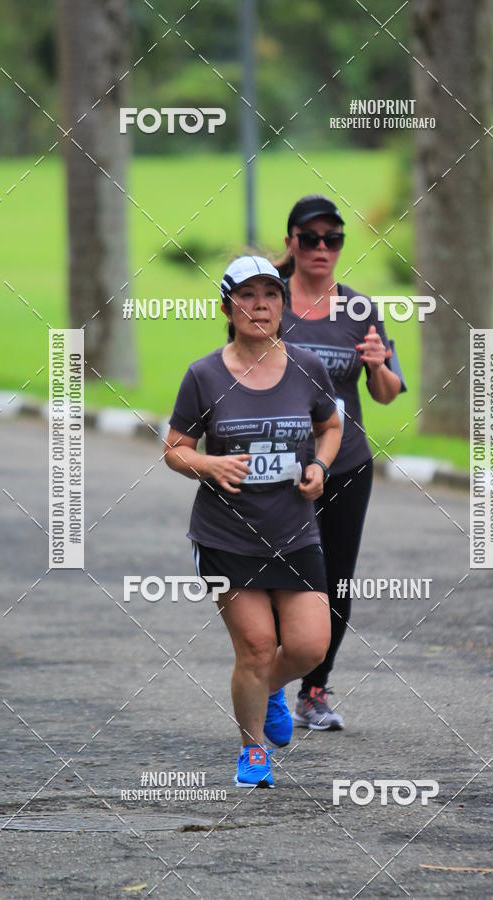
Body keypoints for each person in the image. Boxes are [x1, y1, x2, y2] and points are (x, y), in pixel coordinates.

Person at [164, 255, 342, 787]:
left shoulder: (308, 366)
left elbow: (331, 426)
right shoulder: (204, 375)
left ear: (284, 305)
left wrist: (319, 465)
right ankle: (253, 750)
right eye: (247, 295)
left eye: (270, 294)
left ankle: (266, 690)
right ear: (227, 307)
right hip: (228, 535)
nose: (259, 304)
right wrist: (210, 464)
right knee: (258, 646)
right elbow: (175, 449)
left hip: (294, 530)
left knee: (311, 646)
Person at [275, 194, 407, 731]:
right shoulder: (268, 301)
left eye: (333, 240)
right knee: (281, 577)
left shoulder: (359, 309)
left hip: (346, 464)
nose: (322, 248)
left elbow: (388, 391)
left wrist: (377, 365)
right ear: (292, 243)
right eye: (311, 239)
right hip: (279, 466)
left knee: (336, 580)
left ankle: (313, 690)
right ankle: (268, 680)